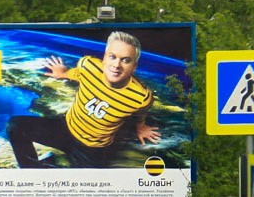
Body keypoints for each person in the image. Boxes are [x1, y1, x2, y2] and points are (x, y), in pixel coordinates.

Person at [8, 31, 161, 169]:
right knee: (15, 126)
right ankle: (32, 169)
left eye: (126, 60)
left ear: (134, 66)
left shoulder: (141, 97)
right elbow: (74, 73)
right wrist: (63, 72)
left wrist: (141, 127)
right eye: (112, 57)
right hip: (64, 129)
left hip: (92, 149)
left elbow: (141, 112)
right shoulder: (88, 65)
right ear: (104, 58)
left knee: (83, 187)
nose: (116, 65)